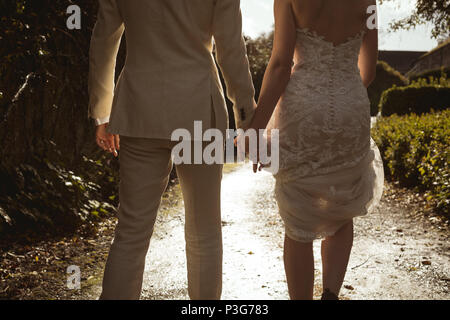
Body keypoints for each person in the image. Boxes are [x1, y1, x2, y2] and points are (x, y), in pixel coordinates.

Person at [88, 0, 256, 300]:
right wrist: (245, 114)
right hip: (198, 111)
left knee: (131, 232)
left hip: (139, 109)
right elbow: (230, 47)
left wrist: (102, 111)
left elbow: (104, 39)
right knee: (204, 230)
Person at [249, 0, 384, 300]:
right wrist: (344, 92)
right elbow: (370, 68)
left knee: (298, 219)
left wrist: (257, 126)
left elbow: (282, 64)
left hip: (304, 109)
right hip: (352, 107)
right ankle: (330, 295)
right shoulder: (370, 2)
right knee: (341, 205)